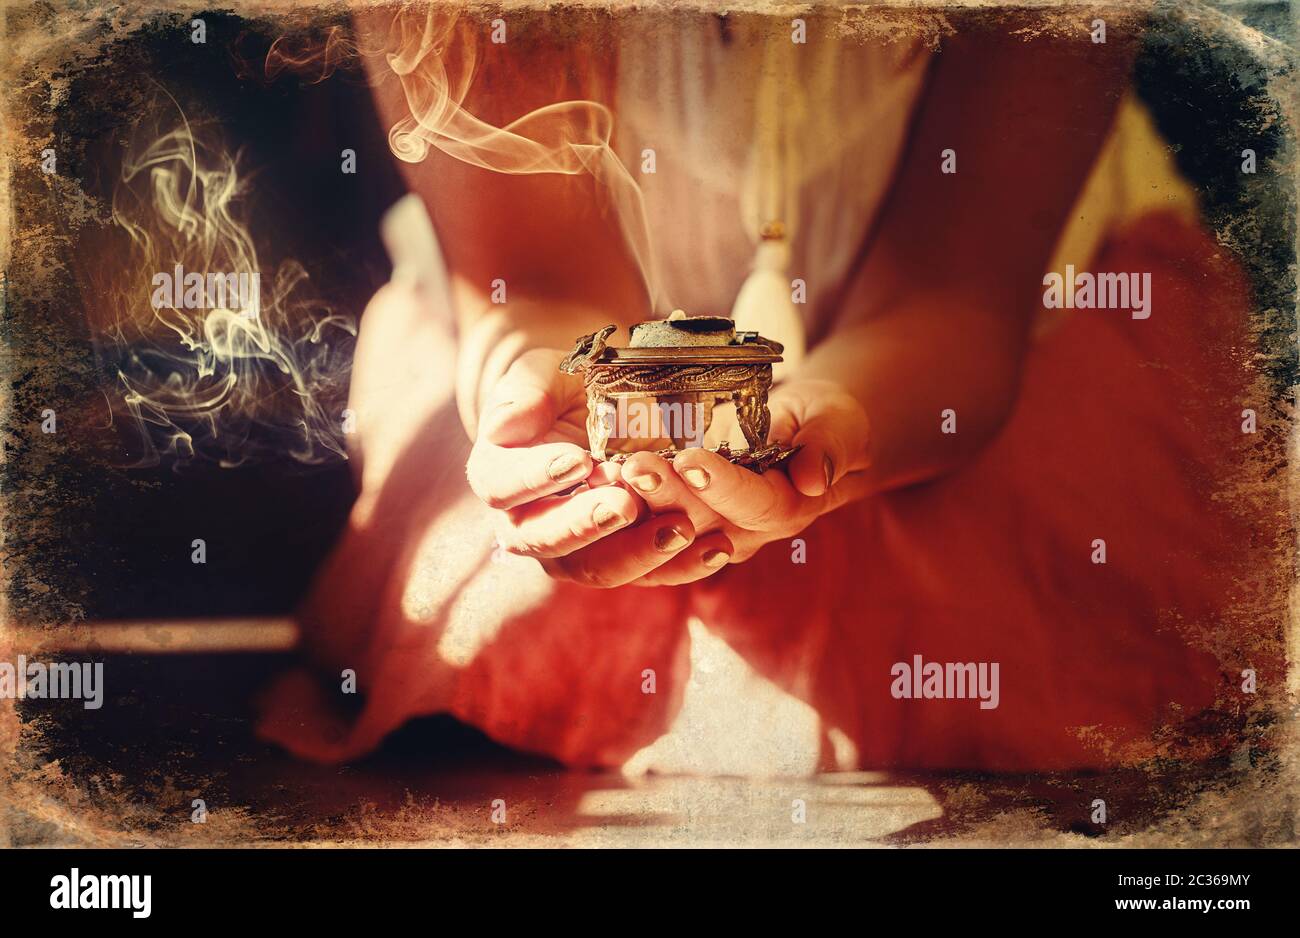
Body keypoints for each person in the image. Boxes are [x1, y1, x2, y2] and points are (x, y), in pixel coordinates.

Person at [259, 9, 1282, 774]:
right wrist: (530, 386)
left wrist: (823, 435)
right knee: (510, 621)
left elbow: (958, 304)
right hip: (543, 313)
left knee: (1039, 658)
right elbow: (536, 279)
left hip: (1022, 317)